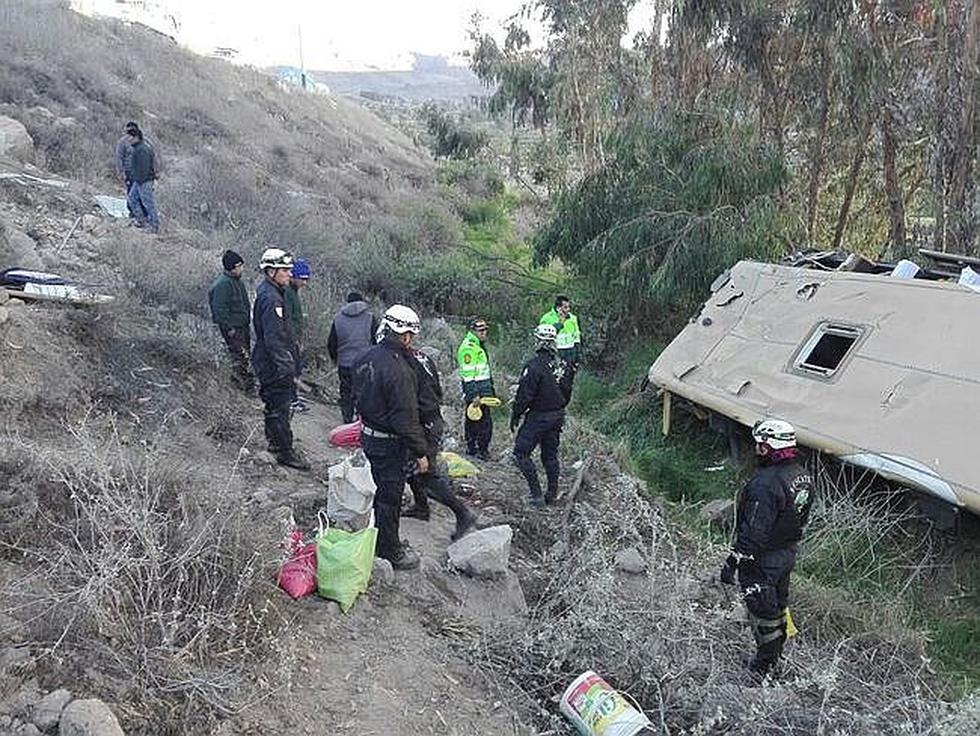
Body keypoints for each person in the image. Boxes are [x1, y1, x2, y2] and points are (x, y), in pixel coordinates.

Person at [720, 419, 813, 678]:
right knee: (778, 606)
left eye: (759, 444)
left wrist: (732, 562)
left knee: (764, 615)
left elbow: (754, 532)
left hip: (762, 560)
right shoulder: (801, 475)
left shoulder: (766, 484)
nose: (756, 449)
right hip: (787, 553)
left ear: (767, 446)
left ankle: (763, 670)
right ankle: (774, 658)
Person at [354, 305, 431, 570]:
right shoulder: (400, 370)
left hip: (368, 435)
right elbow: (405, 418)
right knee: (389, 498)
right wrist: (421, 452)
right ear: (407, 335)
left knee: (374, 491)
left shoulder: (365, 356)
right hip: (389, 443)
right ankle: (389, 551)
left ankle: (373, 538)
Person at [402, 345, 478, 541]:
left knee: (426, 473)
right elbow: (437, 389)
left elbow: (405, 397)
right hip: (431, 417)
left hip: (422, 422)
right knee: (412, 468)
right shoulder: (422, 357)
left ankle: (463, 513)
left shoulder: (402, 362)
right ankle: (421, 507)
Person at [251, 247, 309, 471]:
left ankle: (277, 444)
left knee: (276, 407)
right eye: (284, 270)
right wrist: (286, 366)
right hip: (273, 364)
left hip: (272, 361)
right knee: (279, 408)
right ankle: (284, 451)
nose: (289, 273)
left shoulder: (274, 292)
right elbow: (274, 338)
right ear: (271, 272)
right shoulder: (271, 298)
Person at [510, 324, 574, 506]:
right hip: (557, 415)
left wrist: (516, 414)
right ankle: (551, 494)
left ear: (538, 341)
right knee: (550, 456)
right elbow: (567, 392)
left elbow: (524, 395)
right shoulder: (563, 365)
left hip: (539, 416)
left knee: (521, 452)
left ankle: (536, 495)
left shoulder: (534, 366)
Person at [328, 291, 378, 423]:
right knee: (364, 392)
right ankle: (361, 421)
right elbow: (376, 341)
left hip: (344, 363)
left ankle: (347, 419)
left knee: (346, 391)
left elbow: (332, 343)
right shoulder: (370, 318)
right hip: (365, 363)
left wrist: (335, 359)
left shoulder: (338, 318)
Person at [208, 249, 253, 392]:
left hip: (242, 326)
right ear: (231, 267)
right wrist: (229, 328)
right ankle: (241, 387)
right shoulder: (223, 285)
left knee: (245, 355)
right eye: (239, 266)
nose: (242, 269)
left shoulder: (236, 281)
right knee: (240, 356)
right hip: (233, 328)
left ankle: (245, 385)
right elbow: (219, 310)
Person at [456, 317, 495, 460]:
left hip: (484, 390)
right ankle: (475, 450)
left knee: (484, 423)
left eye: (486, 329)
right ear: (472, 330)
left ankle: (481, 449)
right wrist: (473, 395)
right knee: (475, 422)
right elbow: (467, 375)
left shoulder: (478, 345)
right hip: (476, 393)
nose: (484, 332)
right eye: (481, 330)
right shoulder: (468, 348)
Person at [285, 258, 311, 413]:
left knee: (296, 368)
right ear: (294, 277)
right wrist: (293, 339)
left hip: (294, 339)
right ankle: (291, 400)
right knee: (291, 369)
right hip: (289, 340)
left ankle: (293, 397)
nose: (304, 283)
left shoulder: (293, 291)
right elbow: (287, 319)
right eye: (302, 279)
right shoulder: (287, 292)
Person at [127, 124, 160, 233]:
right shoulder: (138, 148)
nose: (128, 139)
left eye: (130, 137)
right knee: (132, 199)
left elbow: (145, 168)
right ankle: (142, 221)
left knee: (148, 203)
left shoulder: (143, 149)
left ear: (136, 137)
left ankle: (154, 225)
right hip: (139, 181)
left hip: (144, 181)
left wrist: (140, 180)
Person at [539, 295, 582, 368]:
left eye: (569, 307)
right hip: (556, 351)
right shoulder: (547, 318)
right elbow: (545, 336)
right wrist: (561, 322)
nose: (568, 309)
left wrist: (577, 353)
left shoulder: (573, 318)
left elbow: (576, 336)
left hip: (570, 351)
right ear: (558, 308)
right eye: (565, 307)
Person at [114, 121, 138, 220]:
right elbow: (119, 157)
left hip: (142, 172)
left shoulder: (143, 141)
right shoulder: (122, 142)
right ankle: (133, 213)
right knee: (131, 192)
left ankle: (141, 214)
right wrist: (121, 172)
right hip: (129, 172)